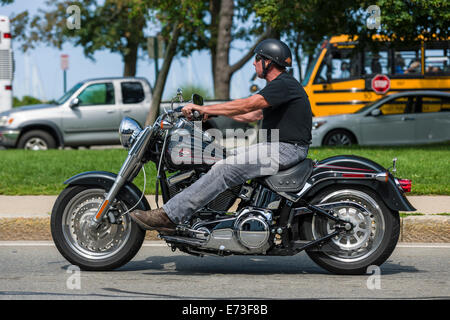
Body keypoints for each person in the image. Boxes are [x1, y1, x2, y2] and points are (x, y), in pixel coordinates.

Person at [130, 39, 313, 232]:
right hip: (281, 148)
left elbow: (248, 105)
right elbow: (253, 114)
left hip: (286, 149)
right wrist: (211, 113)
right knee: (223, 158)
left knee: (224, 169)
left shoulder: (283, 84)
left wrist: (204, 107)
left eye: (257, 58)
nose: (253, 63)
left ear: (268, 62)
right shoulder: (282, 87)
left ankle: (170, 215)